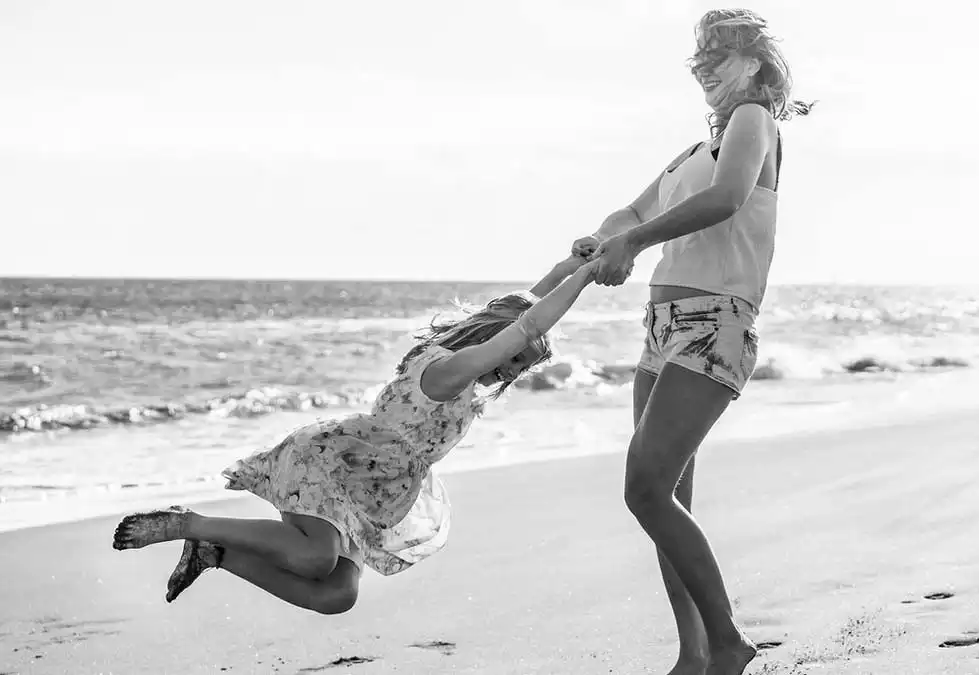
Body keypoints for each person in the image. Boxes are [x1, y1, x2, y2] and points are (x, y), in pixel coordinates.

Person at [112, 254, 599, 614]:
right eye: (512, 358)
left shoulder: (470, 375)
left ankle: (214, 552)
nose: (509, 371)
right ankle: (189, 524)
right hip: (331, 462)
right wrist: (586, 276)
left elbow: (526, 310)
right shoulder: (449, 370)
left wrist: (571, 263)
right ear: (491, 338)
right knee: (313, 559)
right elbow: (525, 321)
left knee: (336, 594)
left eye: (522, 368)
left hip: (370, 491)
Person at [571, 9, 812, 675]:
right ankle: (694, 651)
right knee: (669, 497)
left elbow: (729, 198)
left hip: (716, 324)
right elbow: (632, 212)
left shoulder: (753, 122)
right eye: (700, 59)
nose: (707, 67)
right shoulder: (688, 153)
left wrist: (635, 243)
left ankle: (728, 639)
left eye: (721, 55)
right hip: (660, 331)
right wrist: (604, 238)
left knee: (644, 489)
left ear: (755, 63)